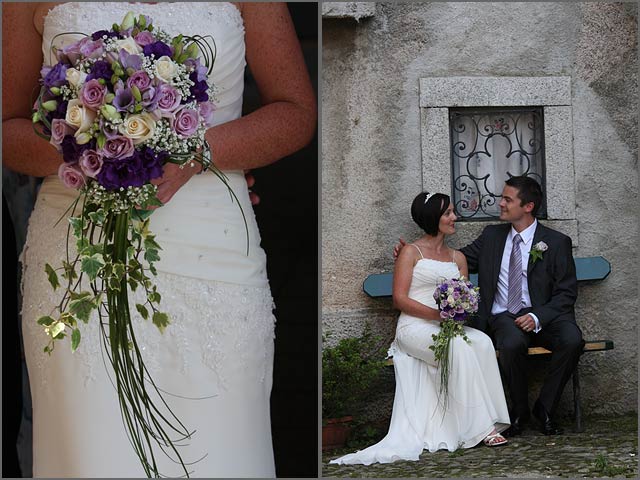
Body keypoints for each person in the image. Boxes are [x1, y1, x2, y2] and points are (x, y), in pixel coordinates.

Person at [2, 2, 316, 477]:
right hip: (72, 267)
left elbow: (296, 112)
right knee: (89, 445)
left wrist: (200, 150)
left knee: (221, 443)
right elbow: (5, 127)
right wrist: (87, 147)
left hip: (217, 254)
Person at [331, 192, 510, 466]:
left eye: (453, 212)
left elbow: (464, 296)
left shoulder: (458, 257)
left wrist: (459, 312)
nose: (454, 217)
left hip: (446, 326)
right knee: (458, 347)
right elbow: (399, 299)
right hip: (414, 328)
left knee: (483, 342)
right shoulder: (410, 252)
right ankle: (482, 428)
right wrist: (439, 315)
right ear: (432, 218)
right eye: (448, 213)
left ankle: (495, 417)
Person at [395, 176, 583, 437]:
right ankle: (518, 412)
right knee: (511, 344)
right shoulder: (492, 237)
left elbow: (565, 293)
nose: (500, 203)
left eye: (507, 199)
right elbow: (451, 260)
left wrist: (537, 316)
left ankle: (546, 407)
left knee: (573, 339)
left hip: (545, 316)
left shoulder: (556, 242)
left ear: (527, 207)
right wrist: (413, 253)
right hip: (503, 316)